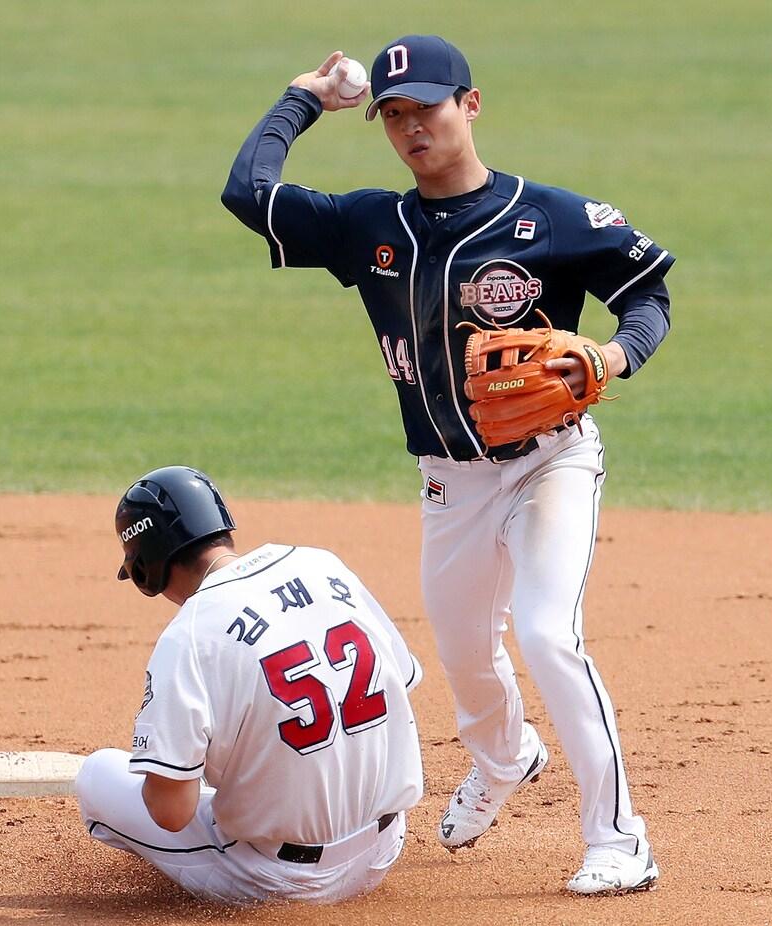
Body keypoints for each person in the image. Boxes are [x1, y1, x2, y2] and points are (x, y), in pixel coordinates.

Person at [220, 35, 672, 895]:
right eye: (393, 115)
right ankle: (505, 758)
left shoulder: (556, 218)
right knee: (467, 659)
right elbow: (248, 193)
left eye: (426, 108)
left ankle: (619, 840)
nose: (410, 128)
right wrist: (302, 99)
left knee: (544, 630)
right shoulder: (368, 228)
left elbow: (648, 293)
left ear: (469, 105)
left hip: (552, 465)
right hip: (448, 481)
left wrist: (614, 360)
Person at [74, 465, 424, 905]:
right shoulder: (322, 563)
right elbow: (402, 682)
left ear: (148, 569)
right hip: (384, 849)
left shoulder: (190, 632)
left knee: (97, 775)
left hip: (278, 880)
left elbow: (170, 813)